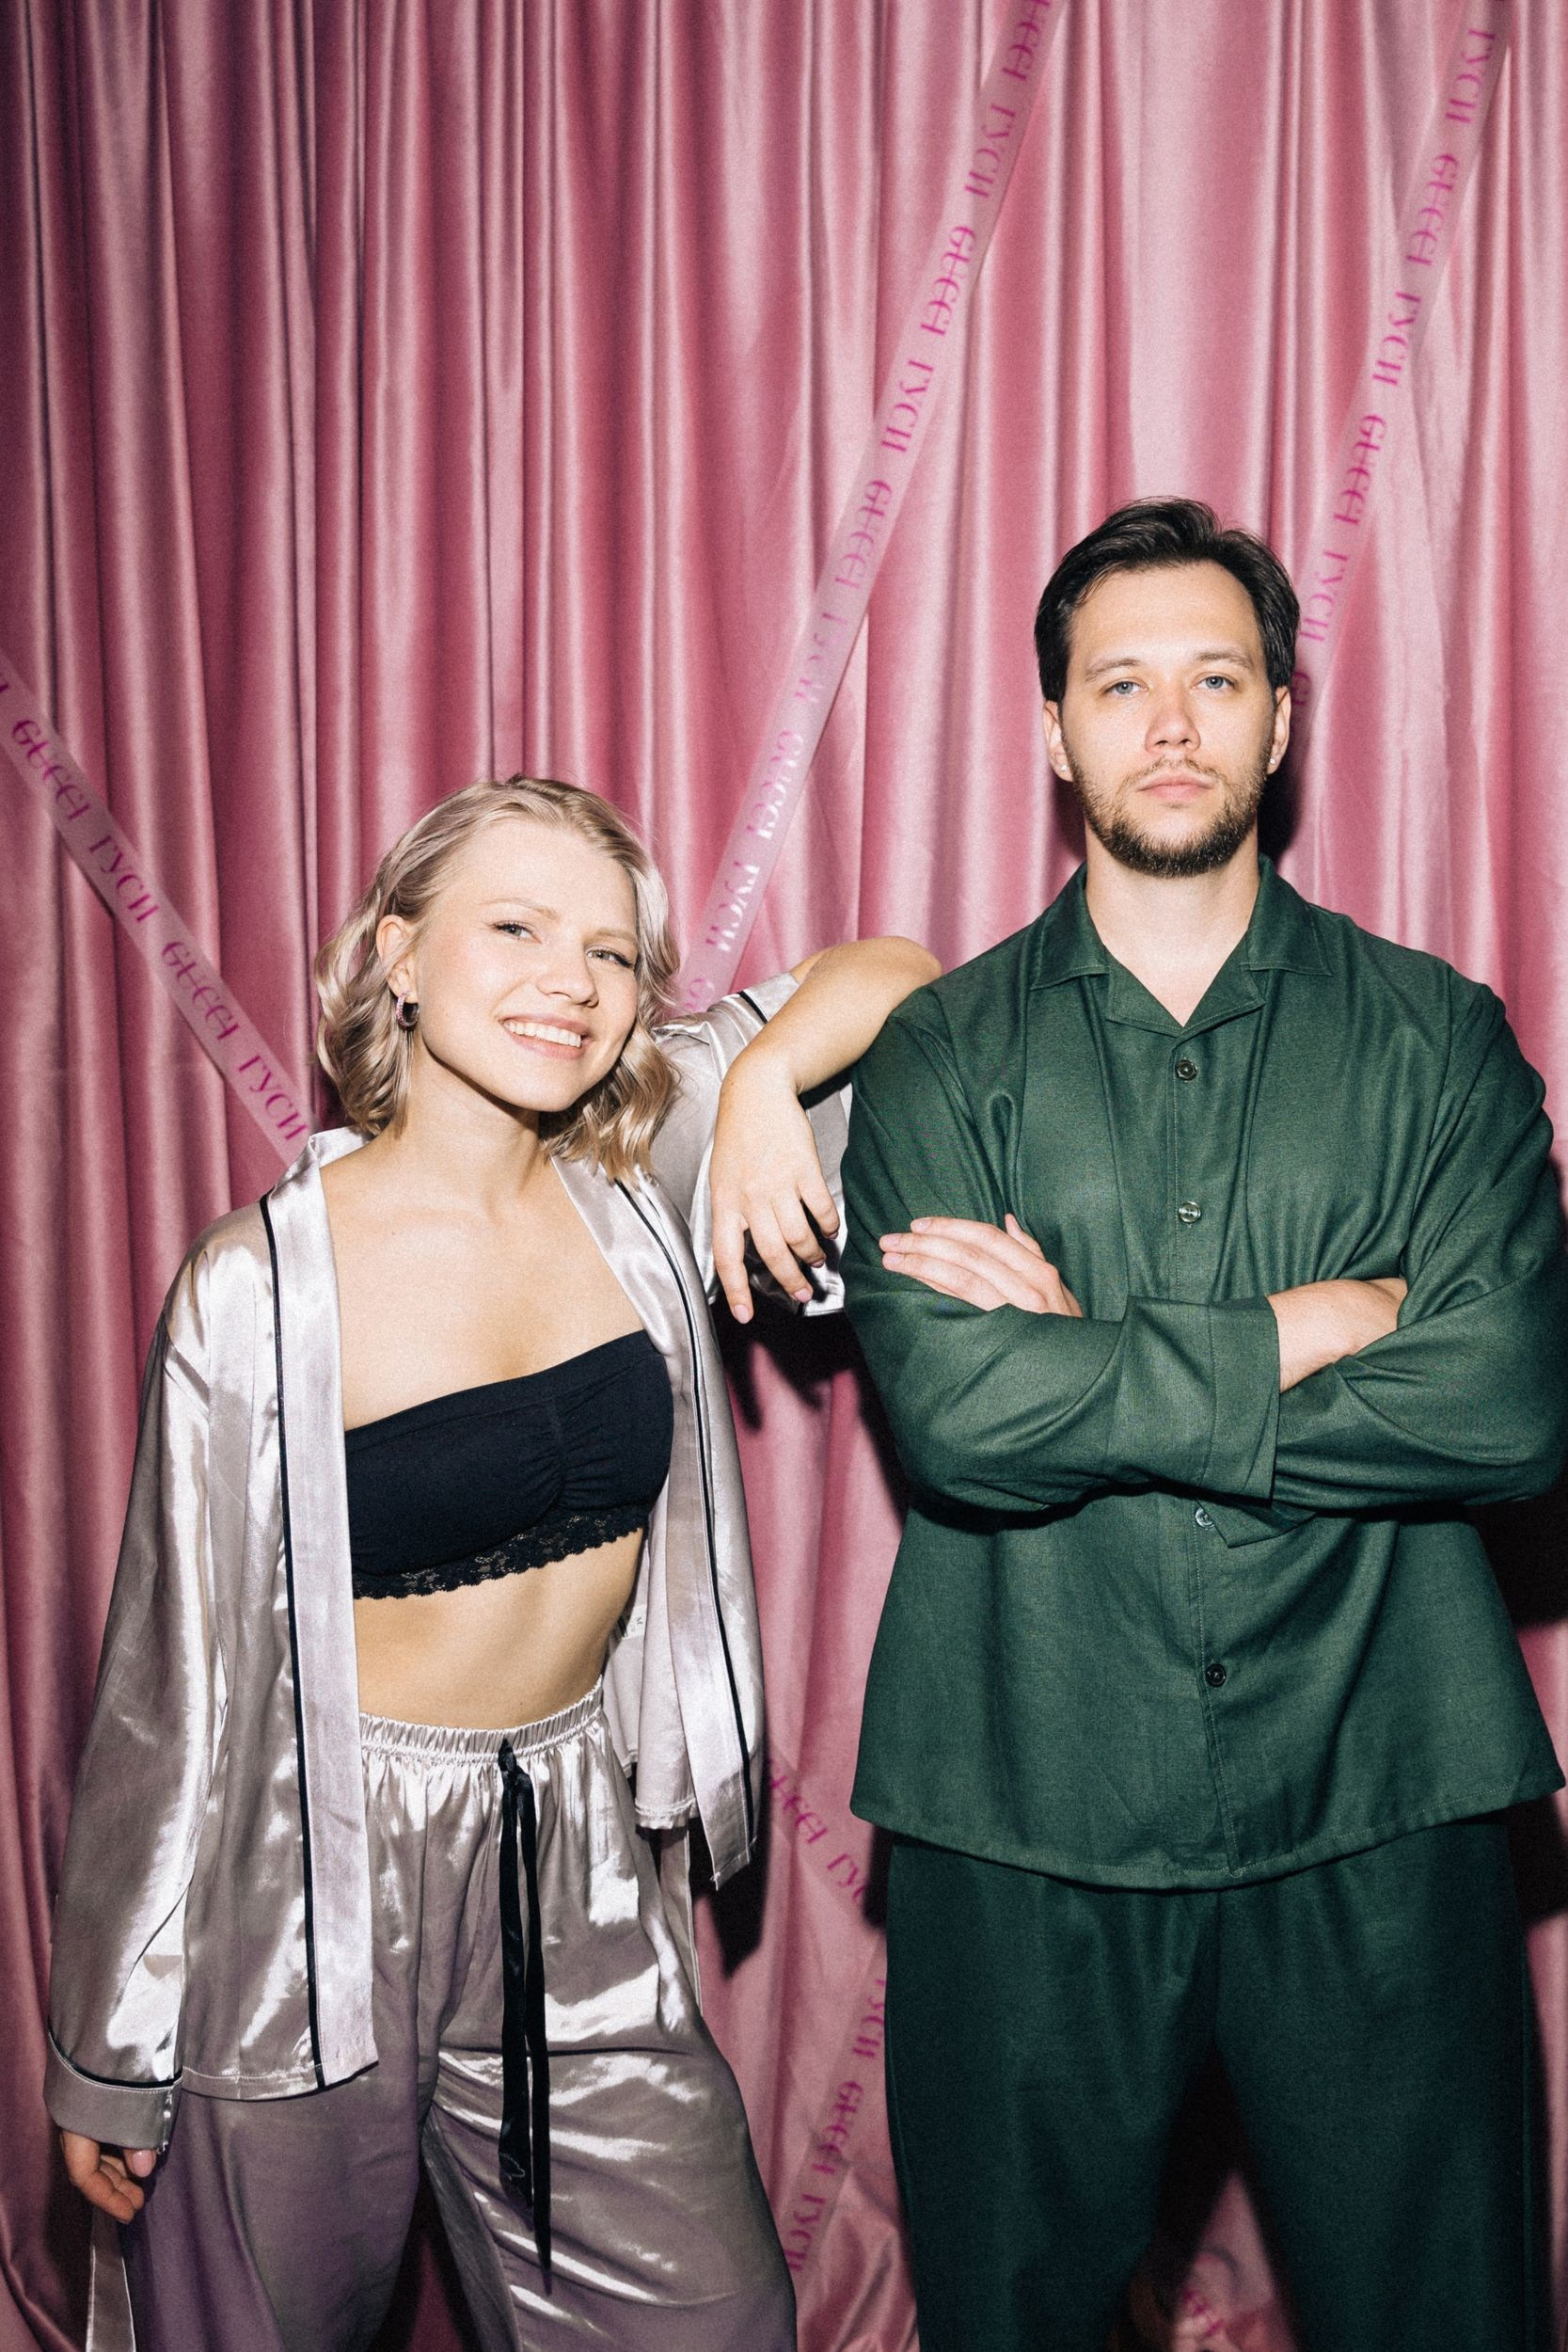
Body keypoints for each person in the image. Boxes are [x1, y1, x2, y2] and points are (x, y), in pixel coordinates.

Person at [45, 773, 938, 2352]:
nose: (569, 983)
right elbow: (164, 1696)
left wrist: (754, 1083)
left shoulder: (640, 1180)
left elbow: (902, 976)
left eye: (610, 953)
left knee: (716, 2318)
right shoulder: (255, 1287)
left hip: (575, 1847)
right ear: (397, 952)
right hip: (307, 1887)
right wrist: (109, 2052)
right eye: (516, 928)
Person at [841, 500, 1568, 2352]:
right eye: (1121, 685)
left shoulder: (1437, 1037)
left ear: (1282, 718)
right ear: (1053, 731)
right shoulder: (939, 1054)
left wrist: (1091, 1362)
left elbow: (1507, 1402)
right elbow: (959, 1420)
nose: (1170, 724)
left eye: (1217, 679)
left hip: (1385, 1796)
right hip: (1021, 1804)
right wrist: (1313, 1325)